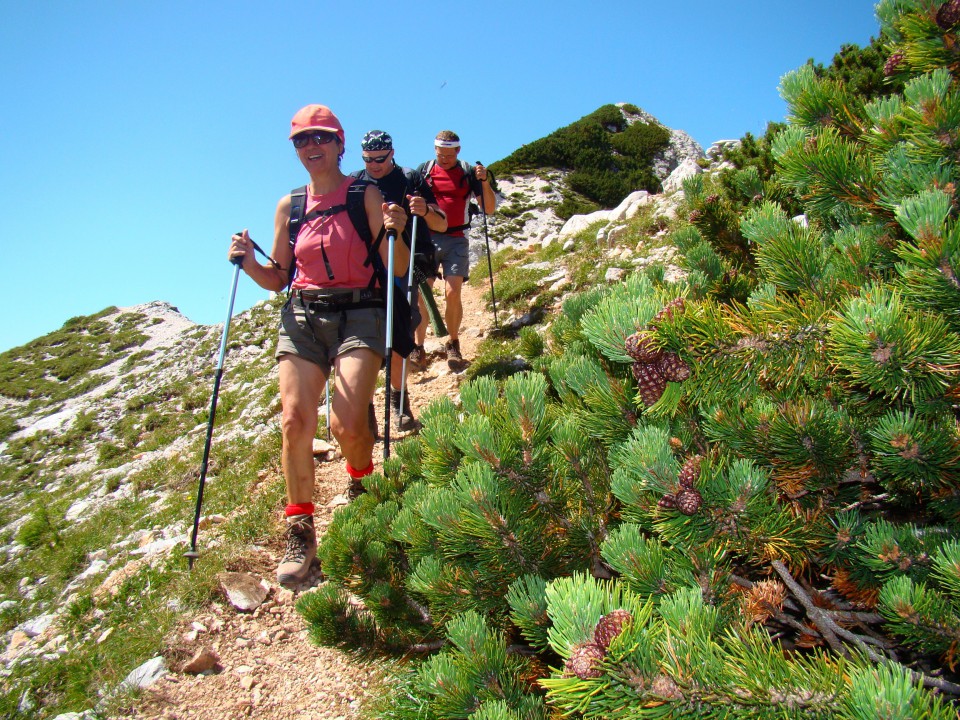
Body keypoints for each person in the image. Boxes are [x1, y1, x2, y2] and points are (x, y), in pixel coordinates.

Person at [228, 105, 408, 585]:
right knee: (294, 419)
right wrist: (247, 263)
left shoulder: (364, 194)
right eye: (301, 141)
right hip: (304, 315)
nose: (311, 147)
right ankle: (300, 526)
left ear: (339, 142)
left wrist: (399, 228)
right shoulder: (290, 206)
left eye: (320, 138)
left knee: (345, 422)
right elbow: (279, 278)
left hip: (361, 311)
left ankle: (363, 481)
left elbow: (396, 265)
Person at [352, 130, 447, 431]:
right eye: (368, 160)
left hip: (401, 266)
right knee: (364, 343)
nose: (375, 165)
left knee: (398, 338)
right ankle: (366, 407)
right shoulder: (354, 182)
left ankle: (398, 400)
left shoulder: (410, 178)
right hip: (363, 272)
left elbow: (441, 220)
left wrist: (426, 209)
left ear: (392, 153)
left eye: (380, 159)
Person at [416, 130, 498, 369]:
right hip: (426, 238)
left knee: (453, 292)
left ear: (458, 151)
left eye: (449, 155)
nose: (444, 159)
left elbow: (489, 209)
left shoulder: (468, 172)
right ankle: (417, 347)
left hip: (457, 237)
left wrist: (484, 182)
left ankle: (453, 343)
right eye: (440, 154)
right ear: (435, 150)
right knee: (423, 293)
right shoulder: (424, 171)